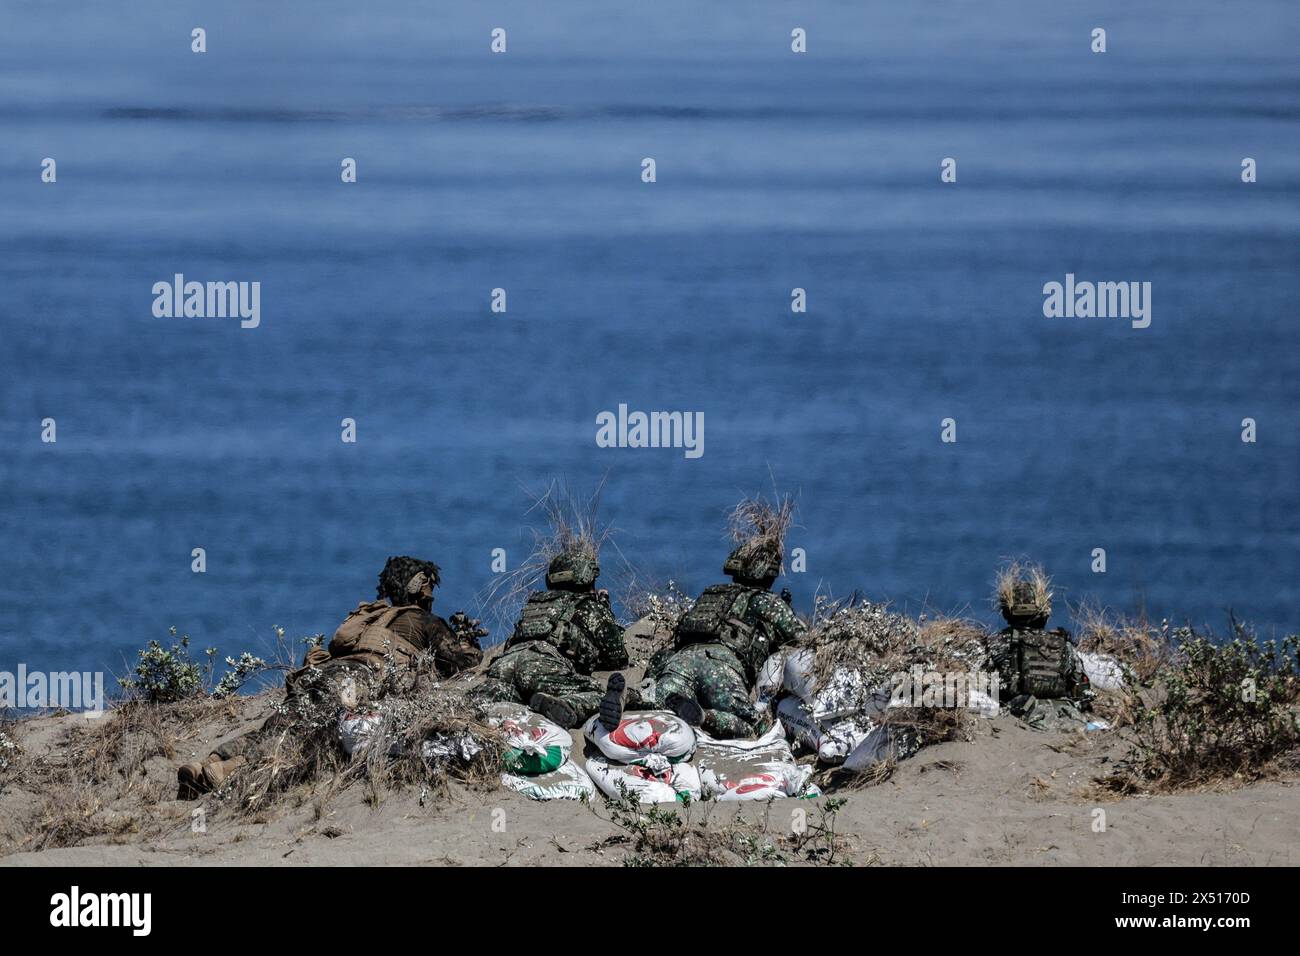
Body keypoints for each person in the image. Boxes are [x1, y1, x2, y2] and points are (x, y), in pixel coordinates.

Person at [176, 556, 482, 797]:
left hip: (323, 673)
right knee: (310, 736)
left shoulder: (371, 616)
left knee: (281, 723)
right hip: (359, 679)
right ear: (421, 589)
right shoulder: (424, 620)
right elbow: (464, 663)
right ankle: (230, 770)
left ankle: (208, 762)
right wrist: (468, 639)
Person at [616, 535, 804, 738]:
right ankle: (704, 717)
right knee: (754, 726)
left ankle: (632, 696)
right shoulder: (767, 601)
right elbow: (801, 638)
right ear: (770, 574)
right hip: (722, 665)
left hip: (681, 659)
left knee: (663, 698)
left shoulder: (712, 593)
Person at [470, 549, 628, 729]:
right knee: (599, 692)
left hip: (504, 666)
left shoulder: (536, 605)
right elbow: (617, 658)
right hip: (543, 667)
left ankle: (473, 704)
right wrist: (605, 609)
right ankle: (566, 705)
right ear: (587, 577)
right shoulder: (589, 607)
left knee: (499, 695)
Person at [985, 567, 1091, 729]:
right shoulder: (1062, 643)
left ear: (1007, 612)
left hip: (1020, 716)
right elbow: (1082, 691)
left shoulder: (997, 643)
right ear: (1043, 613)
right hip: (1068, 716)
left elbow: (985, 690)